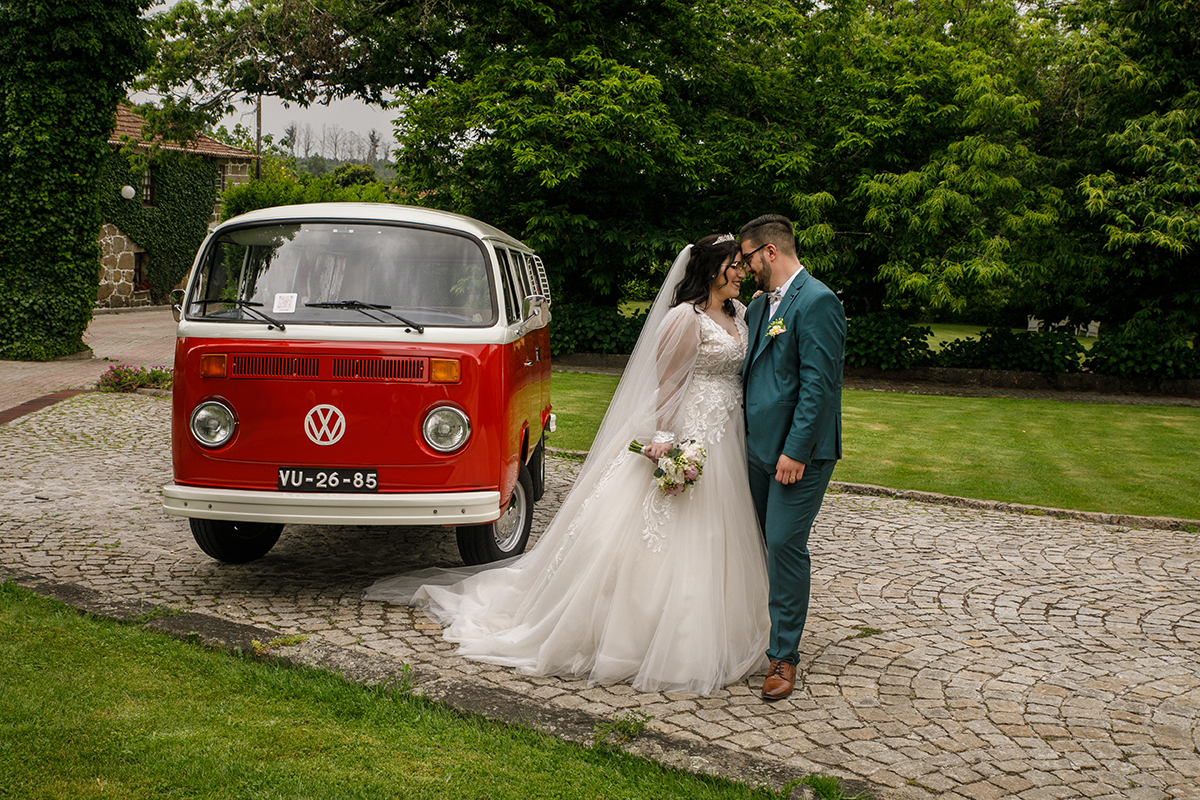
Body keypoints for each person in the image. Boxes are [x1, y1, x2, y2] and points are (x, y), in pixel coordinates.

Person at [365, 234, 770, 695]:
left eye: (742, 265)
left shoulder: (739, 314)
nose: (742, 272)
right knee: (664, 533)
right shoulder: (685, 318)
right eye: (735, 265)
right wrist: (665, 439)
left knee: (719, 530)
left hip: (726, 435)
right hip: (689, 434)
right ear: (713, 268)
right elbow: (668, 383)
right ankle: (635, 635)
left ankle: (715, 623)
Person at [739, 214, 846, 701]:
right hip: (756, 449)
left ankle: (784, 657)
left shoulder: (819, 301)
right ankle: (759, 631)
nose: (744, 267)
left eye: (748, 257)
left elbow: (819, 387)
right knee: (762, 543)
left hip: (797, 456)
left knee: (784, 544)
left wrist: (795, 451)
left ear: (771, 252)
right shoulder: (761, 307)